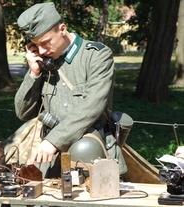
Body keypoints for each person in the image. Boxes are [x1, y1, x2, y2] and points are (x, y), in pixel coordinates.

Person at [14, 2, 127, 178]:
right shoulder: (44, 63)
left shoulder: (96, 55)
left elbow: (92, 106)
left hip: (92, 156)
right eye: (36, 45)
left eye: (46, 42)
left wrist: (53, 141)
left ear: (63, 29)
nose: (42, 51)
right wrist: (34, 74)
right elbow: (22, 112)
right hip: (52, 162)